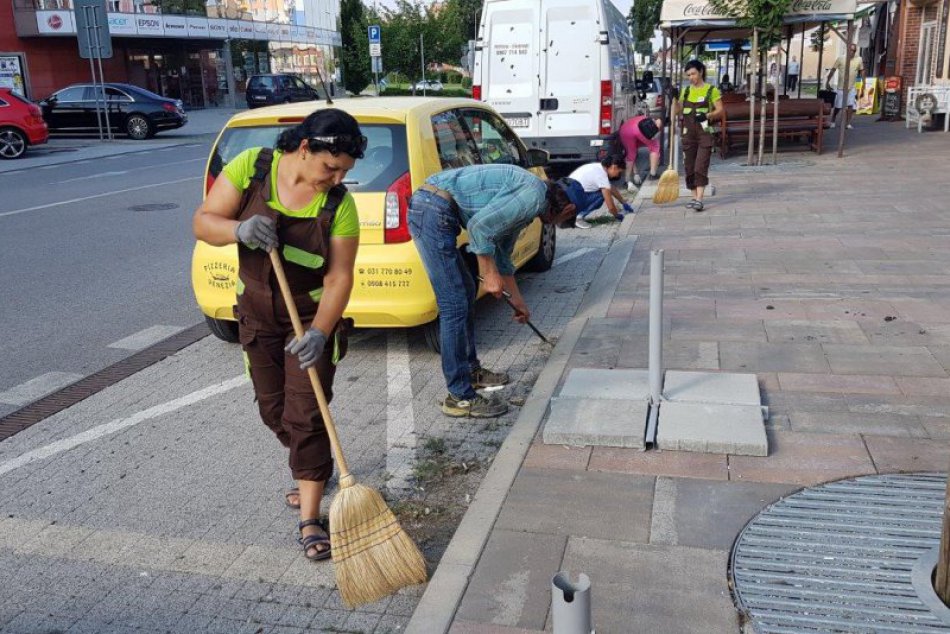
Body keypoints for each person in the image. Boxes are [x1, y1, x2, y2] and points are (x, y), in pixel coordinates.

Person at [192, 109, 365, 562]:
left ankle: (310, 514)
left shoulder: (339, 206)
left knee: (307, 413)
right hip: (256, 316)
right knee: (276, 412)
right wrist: (238, 229)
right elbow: (203, 221)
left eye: (345, 171)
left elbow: (339, 278)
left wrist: (321, 332)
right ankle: (311, 464)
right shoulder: (253, 167)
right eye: (331, 167)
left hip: (308, 319)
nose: (336, 178)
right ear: (305, 147)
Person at [407, 164, 577, 418]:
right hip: (432, 210)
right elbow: (480, 228)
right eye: (563, 222)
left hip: (436, 209)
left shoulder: (531, 201)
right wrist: (489, 273)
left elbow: (502, 254)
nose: (556, 226)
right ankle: (460, 397)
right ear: (567, 209)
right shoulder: (533, 197)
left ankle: (470, 371)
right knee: (454, 304)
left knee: (464, 294)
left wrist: (518, 301)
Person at [675, 59, 724, 213]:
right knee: (689, 167)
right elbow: (677, 111)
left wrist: (708, 115)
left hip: (704, 134)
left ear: (701, 72)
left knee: (700, 166)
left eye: (693, 74)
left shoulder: (711, 90)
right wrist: (674, 98)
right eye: (688, 75)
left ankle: (700, 199)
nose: (691, 77)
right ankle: (694, 198)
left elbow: (721, 111)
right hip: (688, 134)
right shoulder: (686, 91)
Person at [565, 155, 632, 229]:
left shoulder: (598, 167)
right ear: (614, 167)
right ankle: (578, 218)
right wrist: (617, 215)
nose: (618, 175)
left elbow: (611, 187)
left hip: (567, 193)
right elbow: (610, 205)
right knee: (601, 195)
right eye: (619, 172)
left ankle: (571, 215)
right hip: (571, 196)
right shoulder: (601, 176)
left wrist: (623, 202)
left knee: (600, 190)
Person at [616, 115, 664, 191]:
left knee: (630, 154)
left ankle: (627, 181)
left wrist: (636, 173)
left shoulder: (642, 117)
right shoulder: (653, 121)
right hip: (641, 129)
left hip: (624, 130)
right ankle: (653, 174)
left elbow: (632, 155)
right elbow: (659, 122)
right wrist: (657, 130)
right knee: (655, 147)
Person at [826, 43, 864, 129]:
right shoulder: (841, 59)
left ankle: (847, 123)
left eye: (853, 50)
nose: (852, 52)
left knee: (850, 105)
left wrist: (863, 84)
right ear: (847, 50)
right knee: (838, 106)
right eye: (850, 50)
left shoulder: (859, 59)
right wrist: (828, 81)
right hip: (841, 87)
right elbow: (833, 70)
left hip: (852, 87)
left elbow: (862, 71)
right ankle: (833, 120)